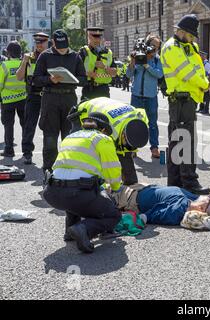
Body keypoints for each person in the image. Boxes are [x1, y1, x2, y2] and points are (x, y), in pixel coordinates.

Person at [43, 112, 122, 254]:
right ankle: (83, 229)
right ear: (103, 129)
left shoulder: (70, 137)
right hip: (77, 194)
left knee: (74, 190)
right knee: (113, 215)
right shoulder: (102, 139)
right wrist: (116, 189)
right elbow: (112, 170)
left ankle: (70, 230)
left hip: (52, 192)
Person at [160, 14, 210, 195]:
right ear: (180, 31)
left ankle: (175, 182)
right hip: (180, 100)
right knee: (185, 143)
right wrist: (204, 84)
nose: (192, 39)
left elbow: (199, 67)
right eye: (189, 35)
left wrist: (204, 81)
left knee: (177, 142)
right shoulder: (171, 47)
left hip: (188, 99)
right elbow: (186, 73)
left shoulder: (190, 46)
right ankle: (189, 182)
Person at [33, 29, 87, 173]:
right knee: (50, 138)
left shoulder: (75, 56)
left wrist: (73, 80)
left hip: (69, 98)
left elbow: (83, 79)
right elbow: (36, 79)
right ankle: (49, 171)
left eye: (65, 47)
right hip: (50, 98)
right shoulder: (45, 56)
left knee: (69, 137)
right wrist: (49, 79)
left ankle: (68, 170)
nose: (63, 50)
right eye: (59, 47)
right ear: (53, 43)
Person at [69, 97, 149, 186]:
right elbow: (107, 160)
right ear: (123, 135)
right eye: (128, 145)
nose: (130, 149)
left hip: (106, 107)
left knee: (124, 155)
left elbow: (125, 152)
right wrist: (114, 186)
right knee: (84, 154)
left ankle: (130, 187)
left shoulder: (141, 118)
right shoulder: (109, 128)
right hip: (83, 112)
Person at [110, 184, 210, 230]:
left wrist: (138, 218)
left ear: (202, 209)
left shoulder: (177, 210)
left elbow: (151, 215)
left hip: (129, 197)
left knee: (100, 187)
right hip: (144, 187)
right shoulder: (195, 201)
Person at [127, 34, 163, 159]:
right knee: (134, 122)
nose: (154, 49)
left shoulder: (157, 60)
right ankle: (133, 147)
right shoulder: (137, 56)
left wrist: (147, 65)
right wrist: (132, 62)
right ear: (146, 44)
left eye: (157, 47)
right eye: (152, 45)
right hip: (136, 95)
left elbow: (159, 74)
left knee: (152, 123)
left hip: (151, 96)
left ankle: (154, 148)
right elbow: (128, 74)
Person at [16, 32, 49, 164]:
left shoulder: (51, 57)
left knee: (49, 125)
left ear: (47, 42)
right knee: (29, 126)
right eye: (37, 42)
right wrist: (24, 61)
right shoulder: (29, 57)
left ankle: (49, 153)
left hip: (48, 95)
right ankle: (27, 153)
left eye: (42, 42)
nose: (39, 44)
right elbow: (19, 77)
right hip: (33, 96)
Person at [0, 41, 27, 158]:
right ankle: (26, 151)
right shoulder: (24, 64)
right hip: (23, 98)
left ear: (9, 53)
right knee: (25, 125)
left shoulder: (4, 66)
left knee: (8, 125)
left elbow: (0, 84)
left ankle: (9, 149)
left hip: (7, 101)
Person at [79, 27, 117, 100]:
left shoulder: (108, 52)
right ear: (89, 37)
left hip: (103, 90)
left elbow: (114, 73)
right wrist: (87, 74)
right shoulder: (83, 52)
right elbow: (76, 71)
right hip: (88, 89)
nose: (97, 39)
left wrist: (104, 67)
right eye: (94, 37)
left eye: (99, 37)